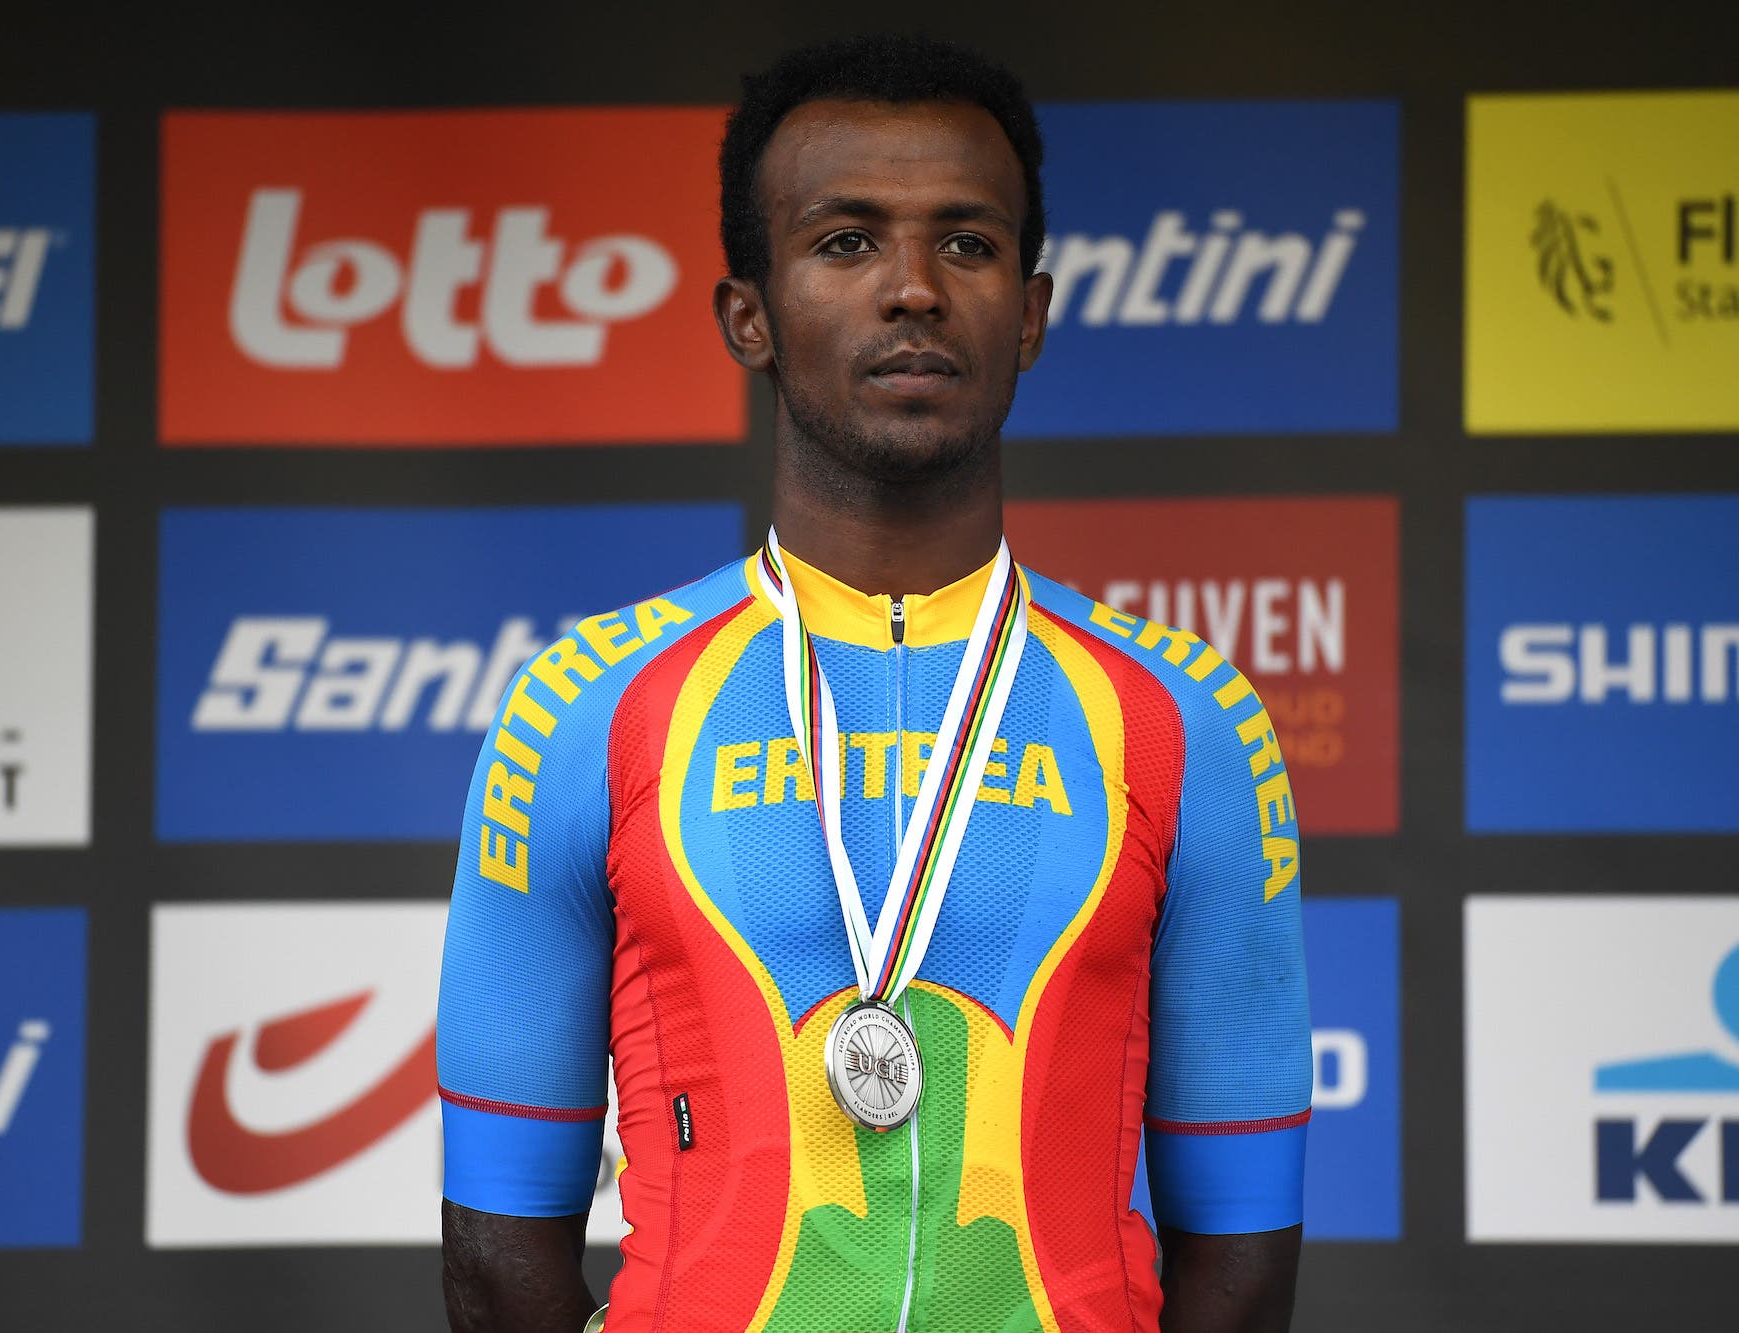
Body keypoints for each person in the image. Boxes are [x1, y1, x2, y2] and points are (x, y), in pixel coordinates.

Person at [437, 33, 1310, 1333]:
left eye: (966, 242)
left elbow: (1242, 1267)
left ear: (1030, 312)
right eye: (846, 242)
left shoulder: (1182, 716)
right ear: (751, 315)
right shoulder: (585, 707)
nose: (912, 287)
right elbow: (497, 1256)